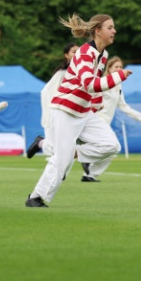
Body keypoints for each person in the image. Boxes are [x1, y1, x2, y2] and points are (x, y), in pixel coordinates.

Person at [25, 13, 131, 208]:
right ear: (98, 31)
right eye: (110, 27)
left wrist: (97, 103)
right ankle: (35, 197)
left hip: (84, 112)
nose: (114, 31)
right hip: (65, 110)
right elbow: (89, 84)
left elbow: (95, 87)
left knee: (111, 146)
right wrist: (119, 77)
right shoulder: (84, 53)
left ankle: (68, 151)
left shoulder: (103, 55)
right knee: (61, 161)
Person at [78, 56, 141, 182]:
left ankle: (89, 174)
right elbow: (89, 94)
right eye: (116, 67)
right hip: (96, 120)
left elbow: (123, 106)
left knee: (112, 149)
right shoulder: (103, 82)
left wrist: (140, 117)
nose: (119, 69)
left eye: (121, 67)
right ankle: (86, 160)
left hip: (105, 123)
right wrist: (95, 106)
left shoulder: (118, 86)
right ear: (109, 69)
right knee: (113, 147)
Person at [26, 42, 79, 158]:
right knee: (55, 148)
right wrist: (54, 111)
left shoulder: (81, 72)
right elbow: (45, 92)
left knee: (69, 148)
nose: (78, 54)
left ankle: (42, 144)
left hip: (73, 114)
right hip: (57, 112)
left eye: (79, 52)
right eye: (74, 52)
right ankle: (41, 143)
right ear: (66, 55)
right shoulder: (62, 73)